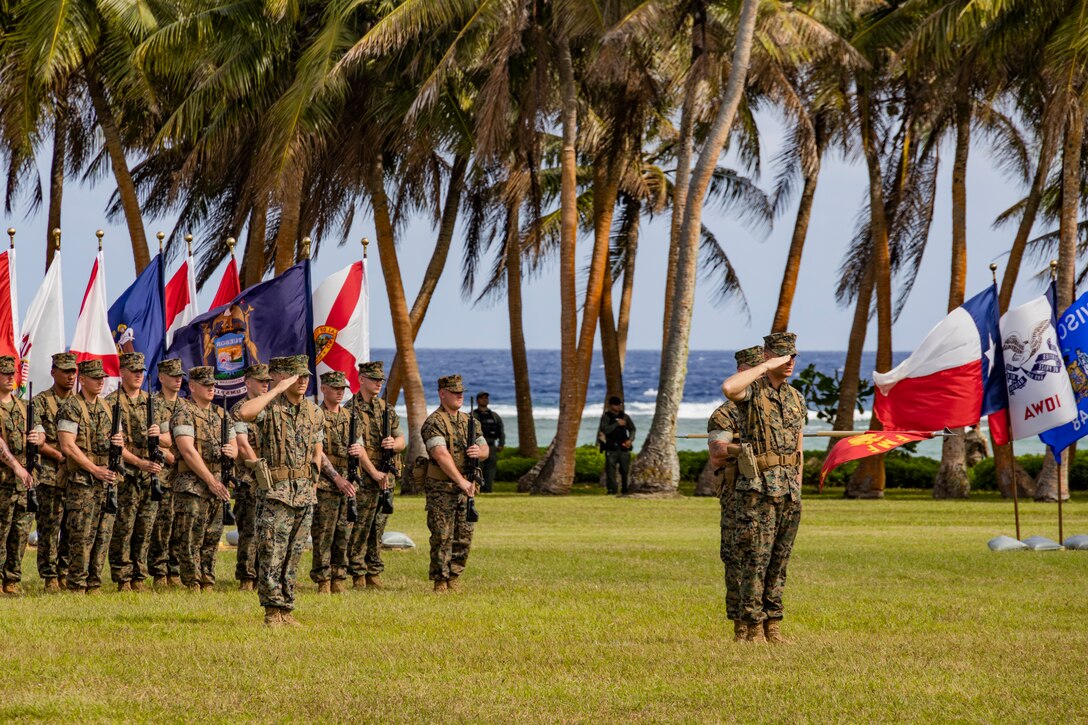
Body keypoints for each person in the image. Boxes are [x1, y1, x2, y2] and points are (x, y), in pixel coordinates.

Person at [721, 332, 806, 644]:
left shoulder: (796, 398)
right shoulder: (752, 392)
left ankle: (774, 626)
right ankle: (749, 627)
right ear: (770, 357)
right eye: (783, 357)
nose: (790, 363)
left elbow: (799, 447)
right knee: (754, 559)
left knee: (779, 561)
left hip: (788, 490)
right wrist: (765, 366)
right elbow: (729, 387)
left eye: (793, 357)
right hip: (758, 488)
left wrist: (798, 486)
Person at [235, 355, 327, 626]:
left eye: (305, 376)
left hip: (304, 493)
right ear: (283, 377)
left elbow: (317, 448)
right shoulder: (270, 406)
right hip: (276, 492)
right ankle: (272, 611)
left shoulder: (314, 411)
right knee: (271, 551)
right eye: (296, 376)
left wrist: (314, 480)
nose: (302, 381)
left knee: (293, 554)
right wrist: (275, 389)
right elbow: (245, 413)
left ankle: (287, 608)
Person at [707, 345, 763, 641]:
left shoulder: (773, 410)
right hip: (737, 495)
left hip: (769, 494)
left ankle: (767, 624)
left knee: (765, 559)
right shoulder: (726, 413)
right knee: (736, 558)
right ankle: (741, 624)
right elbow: (717, 452)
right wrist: (744, 449)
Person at [57, 360, 125, 594]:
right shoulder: (71, 407)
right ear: (82, 379)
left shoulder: (108, 407)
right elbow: (68, 446)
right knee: (81, 534)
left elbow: (119, 439)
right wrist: (93, 469)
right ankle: (77, 583)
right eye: (95, 377)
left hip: (106, 479)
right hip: (83, 481)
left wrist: (119, 443)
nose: (99, 382)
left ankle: (94, 583)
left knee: (103, 534)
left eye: (102, 378)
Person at [170, 366, 236, 591]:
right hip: (192, 484)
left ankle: (207, 579)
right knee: (190, 536)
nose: (211, 388)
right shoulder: (183, 412)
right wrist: (210, 481)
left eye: (212, 384)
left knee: (212, 534)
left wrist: (231, 452)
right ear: (193, 387)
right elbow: (187, 451)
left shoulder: (221, 414)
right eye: (206, 385)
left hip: (217, 482)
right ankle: (192, 582)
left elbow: (234, 446)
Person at [421, 374, 488, 592]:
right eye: (454, 392)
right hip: (442, 488)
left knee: (464, 535)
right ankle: (440, 580)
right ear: (442, 394)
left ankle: (455, 576)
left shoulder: (470, 421)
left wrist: (480, 452)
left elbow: (484, 447)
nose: (459, 396)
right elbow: (440, 454)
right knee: (442, 535)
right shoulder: (434, 422)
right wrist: (461, 481)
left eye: (461, 393)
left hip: (466, 487)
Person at [106, 352, 163, 592]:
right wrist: (139, 462)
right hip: (126, 473)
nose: (139, 375)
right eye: (134, 371)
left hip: (149, 474)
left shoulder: (153, 402)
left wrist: (158, 436)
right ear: (123, 373)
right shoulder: (111, 403)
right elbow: (115, 444)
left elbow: (169, 438)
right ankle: (123, 576)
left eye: (141, 371)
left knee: (145, 526)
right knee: (124, 526)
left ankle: (139, 576)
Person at [346, 361, 405, 590]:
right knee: (360, 526)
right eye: (374, 379)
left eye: (381, 380)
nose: (378, 383)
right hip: (364, 476)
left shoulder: (386, 409)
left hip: (385, 477)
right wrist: (374, 472)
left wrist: (395, 444)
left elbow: (402, 439)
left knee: (378, 525)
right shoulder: (351, 409)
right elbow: (357, 446)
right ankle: (358, 572)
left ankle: (373, 571)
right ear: (361, 380)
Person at [31, 352, 78, 592]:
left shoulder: (80, 402)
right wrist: (60, 454)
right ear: (53, 372)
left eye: (73, 371)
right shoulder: (40, 402)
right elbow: (39, 441)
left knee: (73, 525)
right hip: (50, 473)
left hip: (76, 475)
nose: (70, 376)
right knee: (50, 526)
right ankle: (50, 576)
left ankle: (65, 572)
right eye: (65, 371)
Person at [310, 370, 358, 594]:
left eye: (342, 389)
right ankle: (323, 580)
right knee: (324, 533)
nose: (340, 392)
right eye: (335, 388)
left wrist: (359, 450)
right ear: (324, 389)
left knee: (344, 533)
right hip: (326, 484)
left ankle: (339, 577)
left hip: (348, 482)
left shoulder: (349, 417)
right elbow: (317, 452)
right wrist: (336, 478)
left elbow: (359, 445)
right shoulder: (316, 416)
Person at [0, 355, 44, 596]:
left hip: (25, 481)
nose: (9, 377)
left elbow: (40, 431)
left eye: (11, 373)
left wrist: (39, 438)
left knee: (20, 530)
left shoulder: (24, 406)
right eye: (5, 373)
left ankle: (12, 579)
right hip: (5, 480)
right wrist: (16, 467)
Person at [230, 363, 271, 590]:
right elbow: (243, 446)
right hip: (249, 479)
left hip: (273, 480)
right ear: (248, 383)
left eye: (267, 381)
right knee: (249, 529)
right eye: (260, 381)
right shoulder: (240, 410)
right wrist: (260, 471)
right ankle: (247, 578)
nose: (265, 384)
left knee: (268, 531)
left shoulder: (273, 408)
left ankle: (264, 575)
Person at [149, 358, 185, 588]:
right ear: (161, 378)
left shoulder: (186, 406)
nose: (178, 379)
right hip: (162, 473)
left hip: (183, 473)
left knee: (180, 524)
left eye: (180, 375)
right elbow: (150, 436)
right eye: (173, 375)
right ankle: (160, 572)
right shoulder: (152, 404)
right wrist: (169, 447)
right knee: (161, 525)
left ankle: (175, 570)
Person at [597, 397, 635, 495]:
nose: (618, 406)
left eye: (620, 404)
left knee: (625, 470)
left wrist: (630, 440)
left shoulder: (625, 417)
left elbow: (632, 429)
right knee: (610, 472)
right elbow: (604, 430)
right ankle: (612, 490)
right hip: (611, 447)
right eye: (616, 404)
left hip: (623, 447)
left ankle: (625, 489)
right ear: (611, 405)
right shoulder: (606, 417)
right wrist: (616, 424)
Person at [472, 392, 504, 493]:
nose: (485, 400)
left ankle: (488, 489)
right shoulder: (473, 415)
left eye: (486, 398)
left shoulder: (494, 416)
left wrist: (501, 444)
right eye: (482, 398)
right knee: (478, 468)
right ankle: (477, 489)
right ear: (477, 400)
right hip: (478, 446)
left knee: (490, 470)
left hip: (491, 446)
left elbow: (501, 430)